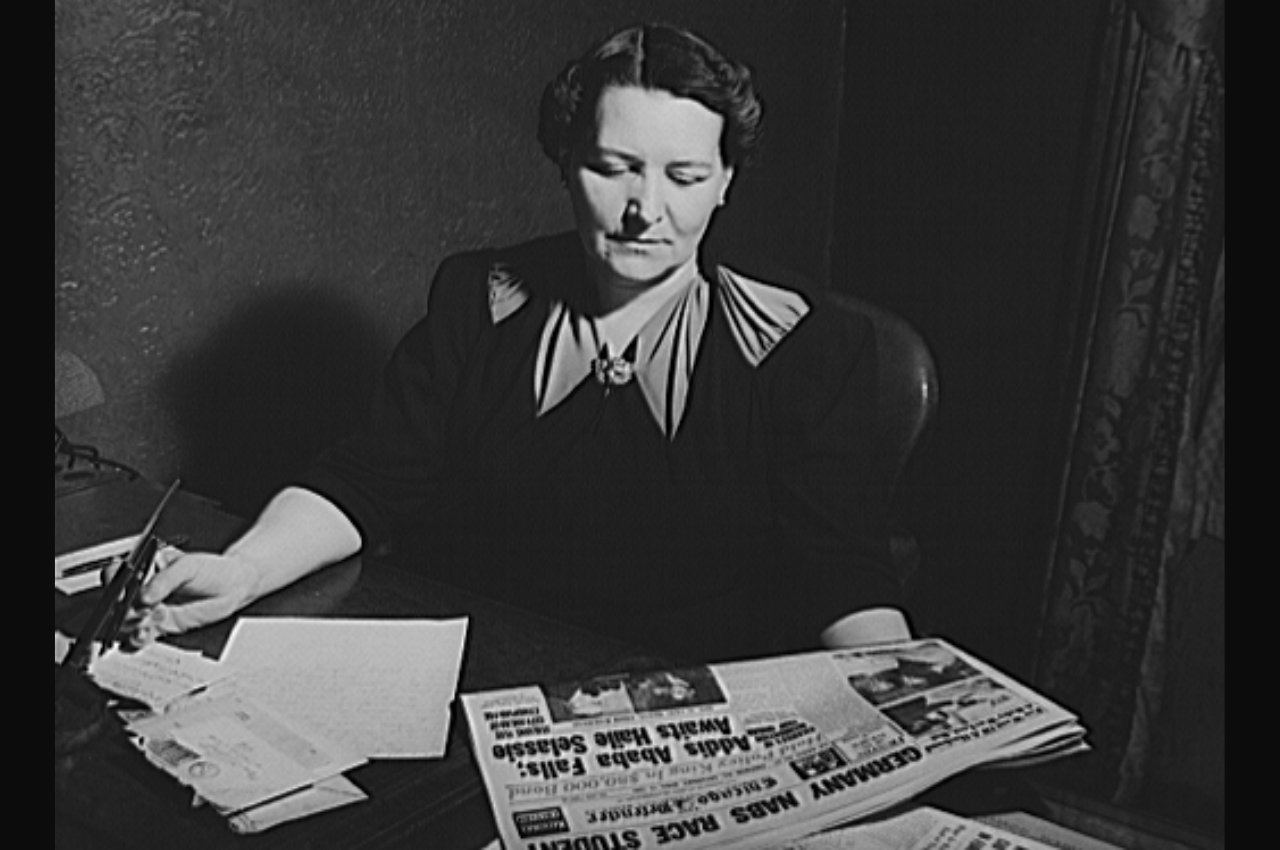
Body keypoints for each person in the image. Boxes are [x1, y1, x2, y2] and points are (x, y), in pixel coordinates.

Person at [122, 22, 912, 663]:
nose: (646, 210)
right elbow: (367, 480)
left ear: (726, 180)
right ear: (565, 162)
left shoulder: (807, 346)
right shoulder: (479, 300)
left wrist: (908, 713)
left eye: (685, 176)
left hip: (686, 701)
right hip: (486, 674)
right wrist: (244, 569)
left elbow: (842, 573)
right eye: (614, 168)